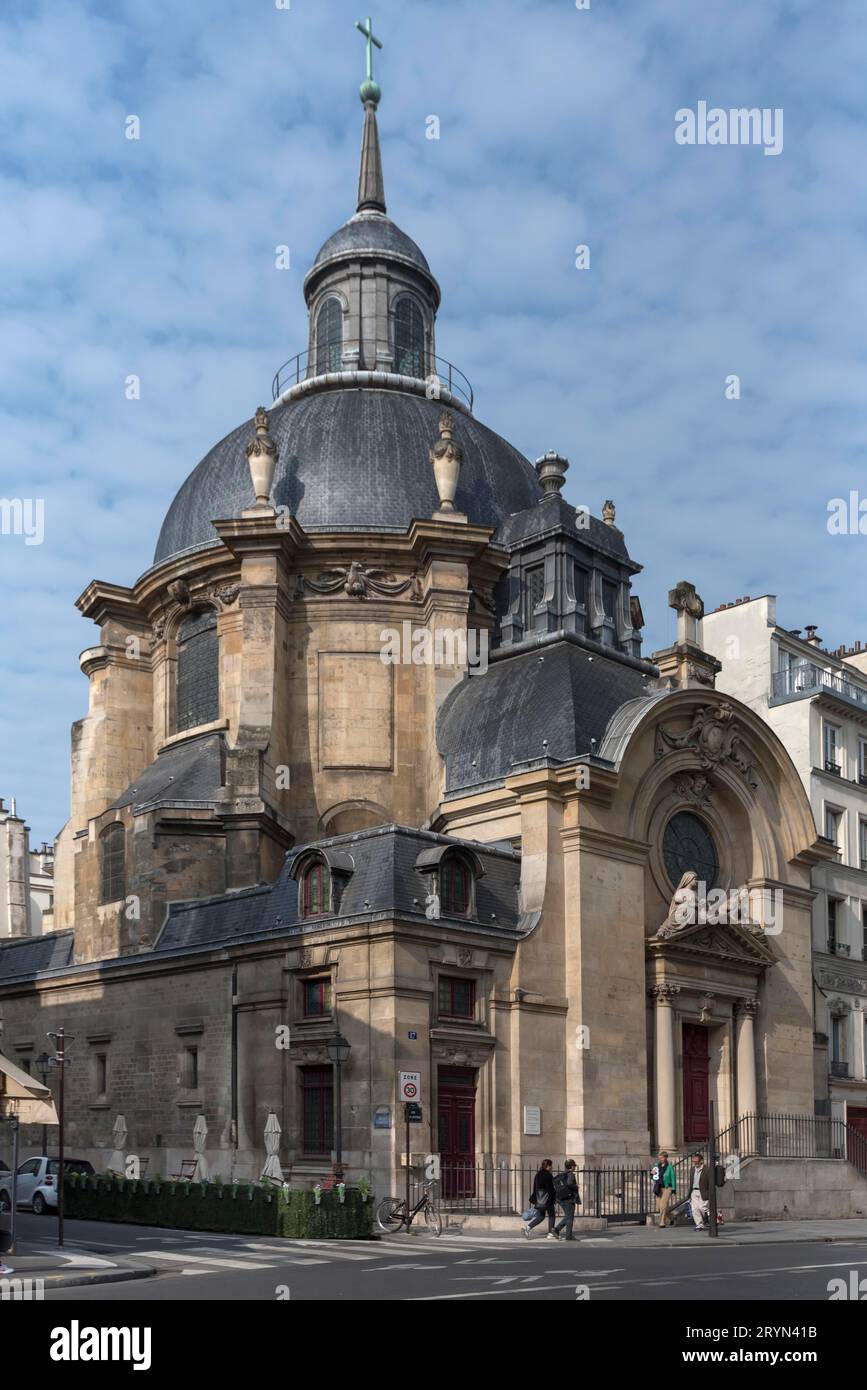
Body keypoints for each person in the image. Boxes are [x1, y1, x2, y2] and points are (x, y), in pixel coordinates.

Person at [522, 1159, 557, 1238]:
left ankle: (527, 1228)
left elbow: (535, 1188)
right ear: (548, 1166)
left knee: (541, 1216)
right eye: (551, 1166)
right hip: (548, 1199)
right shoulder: (548, 1175)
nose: (552, 1167)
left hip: (539, 1199)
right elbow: (550, 1189)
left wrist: (536, 1198)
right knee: (552, 1215)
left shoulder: (538, 1174)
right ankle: (550, 1233)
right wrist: (554, 1199)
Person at [553, 1159, 581, 1240]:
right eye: (574, 1166)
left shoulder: (562, 1174)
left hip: (561, 1198)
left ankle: (556, 1230)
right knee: (570, 1218)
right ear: (572, 1166)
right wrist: (576, 1186)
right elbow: (569, 1184)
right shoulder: (571, 1174)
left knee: (568, 1216)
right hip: (569, 1199)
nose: (575, 1167)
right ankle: (568, 1235)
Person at [653, 1150, 676, 1228]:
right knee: (659, 1207)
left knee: (663, 1204)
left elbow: (673, 1178)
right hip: (658, 1187)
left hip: (667, 1187)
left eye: (662, 1158)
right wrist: (652, 1173)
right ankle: (671, 1217)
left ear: (665, 1158)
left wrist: (674, 1188)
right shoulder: (656, 1166)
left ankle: (662, 1222)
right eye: (659, 1158)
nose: (660, 1159)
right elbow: (653, 1177)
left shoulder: (669, 1167)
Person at [689, 1151, 711, 1231]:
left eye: (696, 1161)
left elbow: (710, 1182)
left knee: (702, 1208)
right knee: (694, 1209)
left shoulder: (707, 1169)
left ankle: (707, 1217)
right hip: (694, 1191)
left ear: (701, 1161)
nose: (695, 1163)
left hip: (703, 1191)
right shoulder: (692, 1169)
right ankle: (699, 1224)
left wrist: (709, 1192)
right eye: (694, 1162)